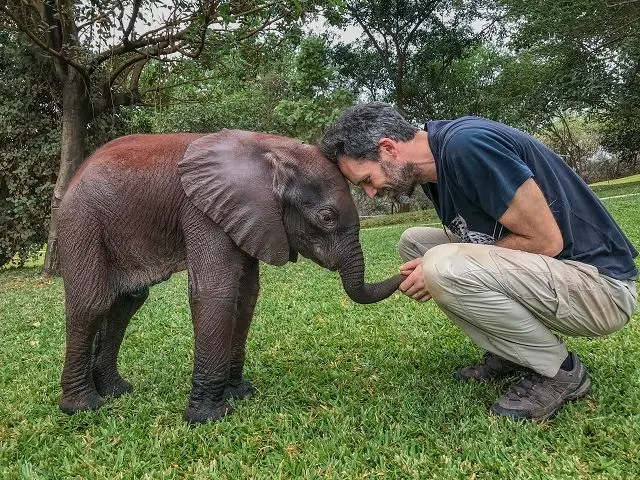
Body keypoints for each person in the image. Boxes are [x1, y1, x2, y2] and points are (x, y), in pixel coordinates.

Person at [319, 102, 638, 421]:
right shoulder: (434, 168)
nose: (371, 194)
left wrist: (439, 266)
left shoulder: (465, 146)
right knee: (415, 243)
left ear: (387, 148)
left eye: (366, 180)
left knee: (440, 264)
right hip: (556, 277)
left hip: (600, 287)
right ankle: (512, 353)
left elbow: (546, 241)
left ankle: (561, 371)